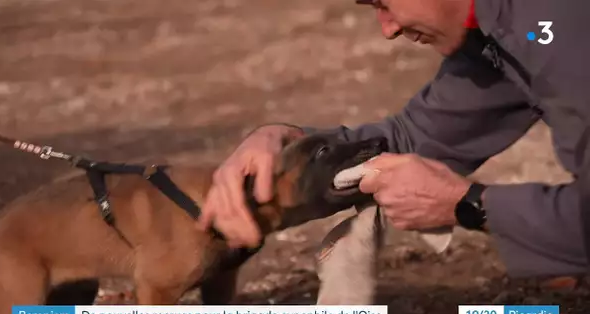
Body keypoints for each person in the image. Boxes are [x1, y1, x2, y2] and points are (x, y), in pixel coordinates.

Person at [197, 0, 590, 279]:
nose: (388, 30)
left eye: (383, 3)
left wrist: (469, 205)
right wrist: (285, 142)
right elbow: (412, 138)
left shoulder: (565, 30)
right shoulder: (504, 30)